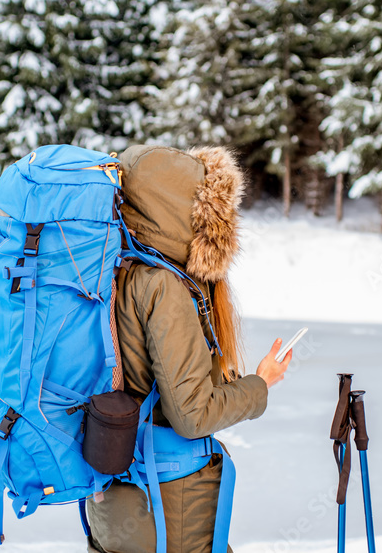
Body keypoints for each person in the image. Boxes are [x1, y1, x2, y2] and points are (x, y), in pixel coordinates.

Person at [86, 144, 292, 553]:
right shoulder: (164, 287)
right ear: (184, 211)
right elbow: (192, 416)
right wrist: (260, 384)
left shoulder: (110, 270)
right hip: (169, 507)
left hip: (110, 500)